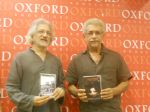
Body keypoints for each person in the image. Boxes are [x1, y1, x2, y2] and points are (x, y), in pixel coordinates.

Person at [66, 18, 132, 112]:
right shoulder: (76, 60)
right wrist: (77, 92)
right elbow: (70, 85)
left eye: (97, 33)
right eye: (90, 33)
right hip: (87, 109)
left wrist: (113, 91)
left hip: (111, 109)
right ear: (84, 36)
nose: (94, 36)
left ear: (103, 35)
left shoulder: (116, 57)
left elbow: (125, 82)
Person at [6, 18, 65, 112]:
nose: (45, 35)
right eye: (41, 31)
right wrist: (30, 100)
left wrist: (61, 91)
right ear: (32, 36)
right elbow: (11, 88)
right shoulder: (20, 58)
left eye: (48, 33)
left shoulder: (56, 61)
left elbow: (61, 85)